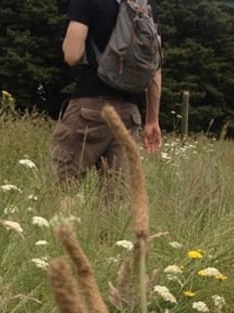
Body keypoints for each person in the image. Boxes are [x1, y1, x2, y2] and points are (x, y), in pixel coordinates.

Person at [53, 0, 163, 193]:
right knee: (117, 206)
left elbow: (72, 55)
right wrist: (152, 120)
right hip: (129, 116)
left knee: (62, 191)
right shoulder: (146, 6)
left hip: (89, 110)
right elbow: (155, 69)